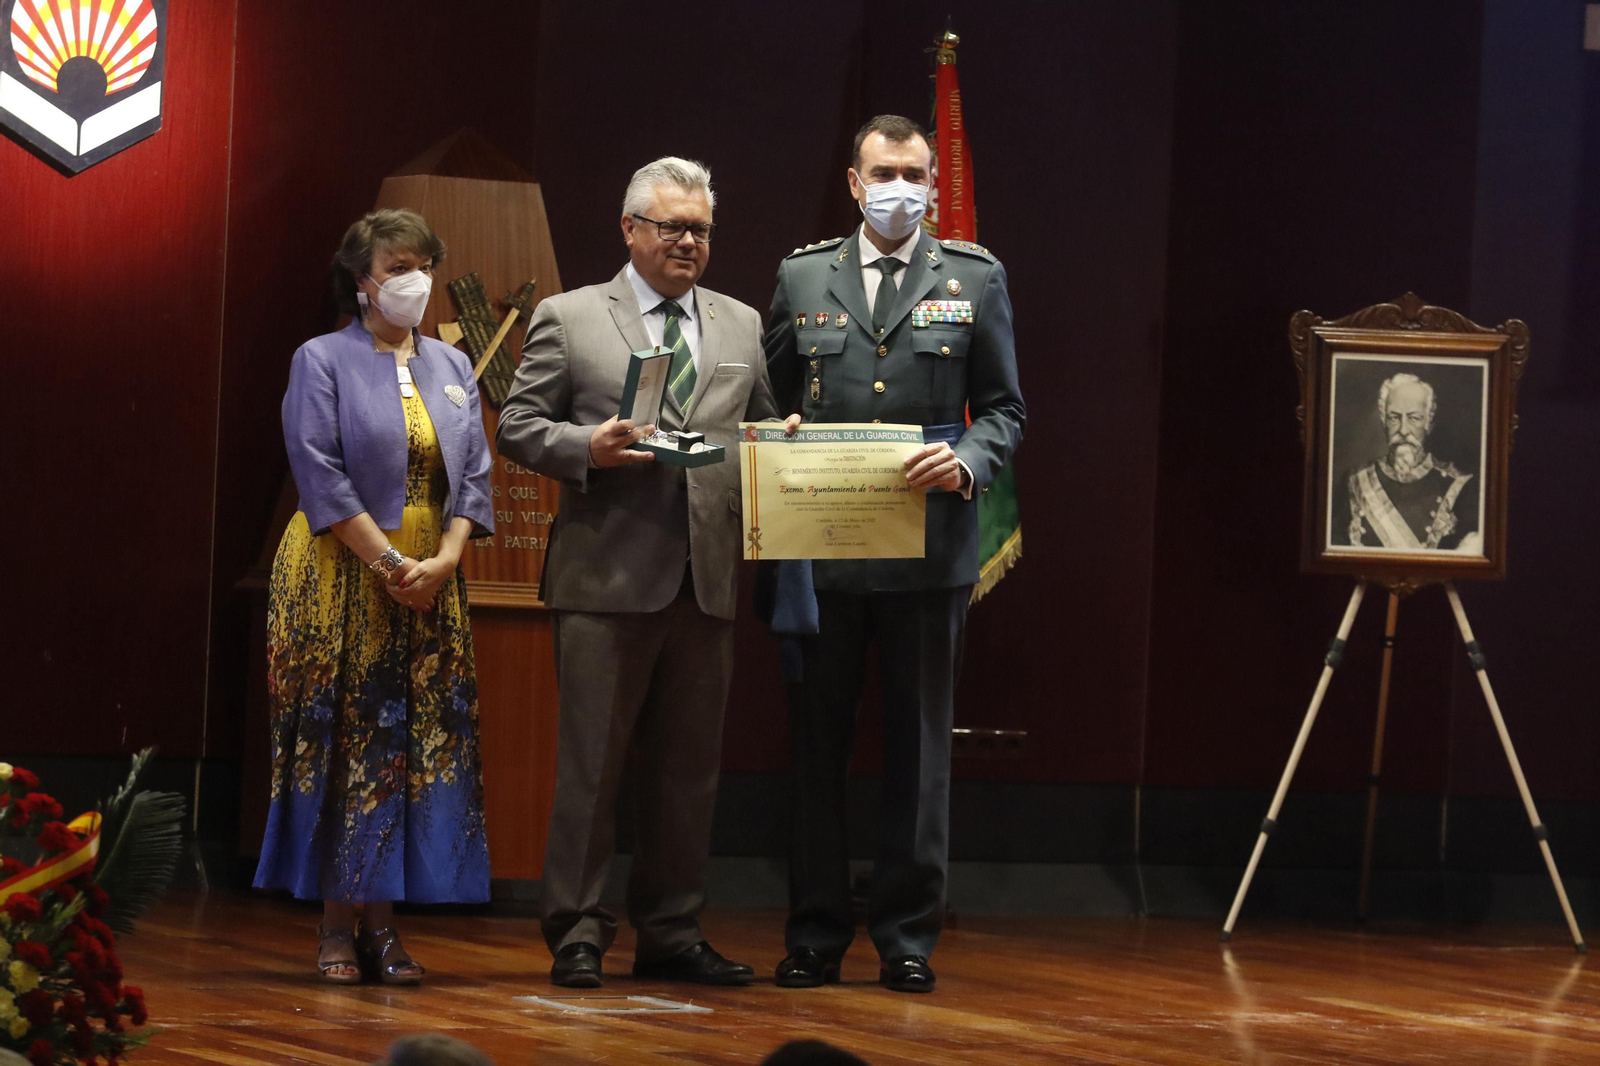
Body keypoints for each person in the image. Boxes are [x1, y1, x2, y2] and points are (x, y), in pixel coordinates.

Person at [497, 157, 779, 989]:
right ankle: (578, 931)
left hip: (709, 575)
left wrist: (783, 435)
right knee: (593, 765)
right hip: (606, 577)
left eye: (700, 230)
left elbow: (756, 425)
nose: (687, 242)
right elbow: (518, 424)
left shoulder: (739, 323)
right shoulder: (571, 315)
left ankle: (671, 931)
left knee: (687, 773)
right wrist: (588, 446)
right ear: (631, 231)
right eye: (671, 227)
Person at [763, 115, 1025, 993]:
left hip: (927, 555)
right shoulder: (803, 275)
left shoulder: (974, 278)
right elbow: (765, 397)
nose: (901, 186)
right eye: (885, 170)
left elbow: (1005, 410)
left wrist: (968, 459)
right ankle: (812, 936)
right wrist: (778, 431)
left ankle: (908, 938)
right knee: (815, 754)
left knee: (920, 758)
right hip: (822, 555)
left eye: (916, 172)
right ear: (853, 179)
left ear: (932, 184)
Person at [255, 209, 494, 985]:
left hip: (433, 579)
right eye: (397, 266)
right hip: (341, 574)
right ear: (362, 280)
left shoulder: (454, 368)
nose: (414, 279)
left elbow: (477, 476)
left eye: (424, 263)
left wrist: (446, 561)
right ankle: (333, 924)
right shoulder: (320, 358)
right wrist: (394, 565)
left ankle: (386, 927)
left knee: (412, 748)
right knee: (346, 743)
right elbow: (318, 471)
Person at [1335, 372, 1480, 551]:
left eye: (1414, 418)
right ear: (1383, 421)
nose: (1403, 430)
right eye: (1394, 417)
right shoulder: (1353, 482)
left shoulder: (1459, 486)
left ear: (1429, 423)